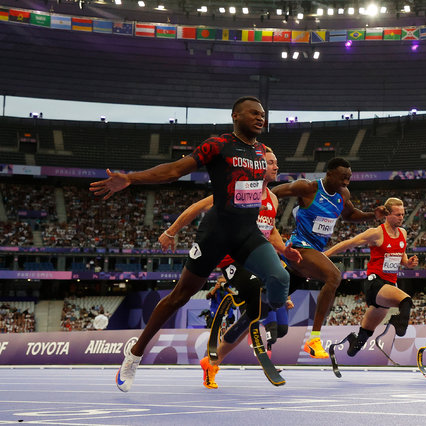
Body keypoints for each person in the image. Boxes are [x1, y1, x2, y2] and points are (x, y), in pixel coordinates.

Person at [90, 96, 291, 393]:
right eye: (254, 113)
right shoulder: (217, 144)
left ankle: (254, 316)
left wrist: (282, 245)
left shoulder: (262, 152)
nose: (261, 118)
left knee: (280, 277)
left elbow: (258, 202)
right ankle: (135, 353)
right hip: (216, 235)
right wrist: (131, 179)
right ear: (235, 115)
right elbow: (174, 170)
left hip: (247, 235)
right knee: (179, 297)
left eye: (263, 114)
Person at [156, 146, 301, 389]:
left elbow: (270, 230)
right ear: (257, 166)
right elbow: (197, 208)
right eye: (271, 162)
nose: (276, 166)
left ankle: (213, 361)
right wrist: (171, 231)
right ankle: (242, 291)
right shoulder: (238, 190)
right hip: (231, 258)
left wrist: (285, 249)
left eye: (277, 162)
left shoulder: (273, 199)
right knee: (256, 295)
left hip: (256, 257)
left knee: (262, 313)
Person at [271, 157, 386, 358]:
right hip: (299, 247)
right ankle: (314, 340)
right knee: (334, 276)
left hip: (314, 253)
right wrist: (265, 220)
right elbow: (274, 193)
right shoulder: (308, 188)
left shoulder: (343, 194)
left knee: (266, 302)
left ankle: (248, 320)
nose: (346, 183)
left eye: (349, 178)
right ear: (329, 174)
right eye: (343, 178)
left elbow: (350, 215)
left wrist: (372, 216)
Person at [323, 197, 418, 356]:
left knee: (364, 336)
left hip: (389, 286)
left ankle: (354, 341)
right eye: (397, 214)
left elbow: (400, 252)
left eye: (403, 214)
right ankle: (395, 322)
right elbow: (349, 243)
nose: (401, 217)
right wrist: (325, 254)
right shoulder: (376, 233)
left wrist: (407, 263)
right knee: (406, 302)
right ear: (387, 214)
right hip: (375, 284)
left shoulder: (403, 233)